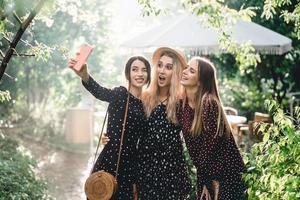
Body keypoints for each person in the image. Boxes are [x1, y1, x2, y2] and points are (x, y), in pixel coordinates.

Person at [68, 55, 151, 199]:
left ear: (149, 74)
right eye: (135, 69)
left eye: (144, 70)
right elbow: (100, 92)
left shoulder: (145, 104)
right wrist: (85, 75)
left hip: (131, 167)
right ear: (128, 74)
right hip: (111, 161)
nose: (139, 74)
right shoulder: (120, 94)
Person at [177, 56, 248, 200]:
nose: (184, 72)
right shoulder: (182, 106)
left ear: (201, 80)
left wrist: (205, 179)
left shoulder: (209, 103)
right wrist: (203, 180)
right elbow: (192, 148)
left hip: (227, 175)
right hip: (206, 174)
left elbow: (209, 146)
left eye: (191, 71)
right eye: (186, 68)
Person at [137, 47, 191, 199]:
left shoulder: (182, 102)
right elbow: (130, 131)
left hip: (173, 172)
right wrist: (108, 138)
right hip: (146, 170)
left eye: (168, 67)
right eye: (159, 65)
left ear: (175, 73)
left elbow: (194, 136)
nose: (162, 70)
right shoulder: (144, 98)